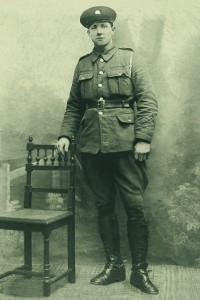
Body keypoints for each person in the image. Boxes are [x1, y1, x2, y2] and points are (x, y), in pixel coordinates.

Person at [56, 6, 158, 295]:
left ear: (113, 29)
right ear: (88, 32)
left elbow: (147, 101)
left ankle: (140, 271)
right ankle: (114, 266)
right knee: (104, 206)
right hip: (91, 145)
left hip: (126, 145)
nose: (99, 31)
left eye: (104, 25)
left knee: (135, 208)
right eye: (93, 27)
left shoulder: (130, 59)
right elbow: (74, 104)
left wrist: (143, 138)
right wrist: (65, 134)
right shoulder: (83, 64)